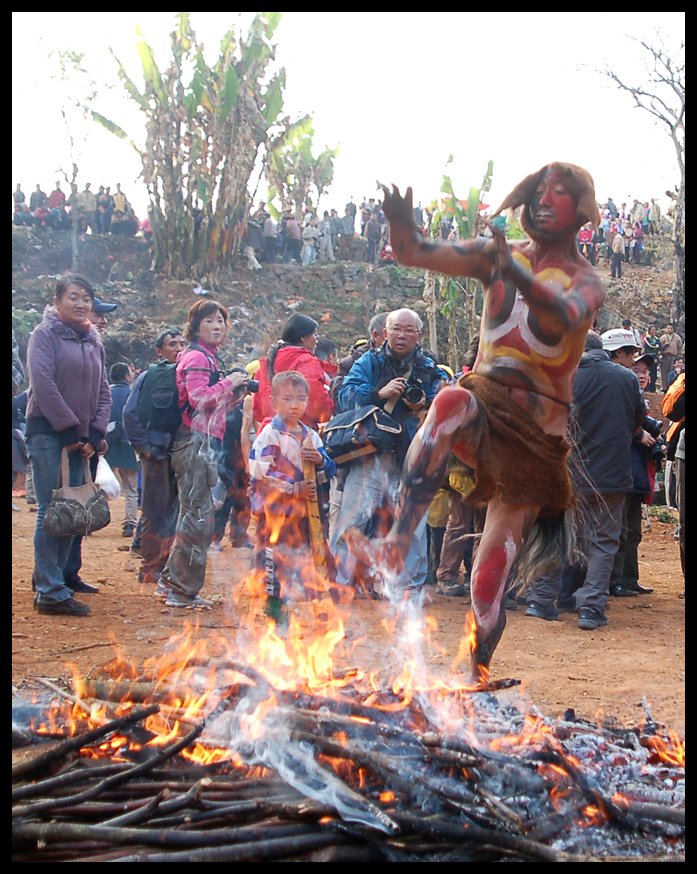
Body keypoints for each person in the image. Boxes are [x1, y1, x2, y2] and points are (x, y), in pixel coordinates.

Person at [371, 163, 606, 678]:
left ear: (581, 210)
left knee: (488, 580)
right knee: (451, 401)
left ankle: (476, 675)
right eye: (539, 191)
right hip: (483, 404)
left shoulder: (588, 282)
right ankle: (399, 539)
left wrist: (516, 271)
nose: (545, 200)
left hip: (534, 446)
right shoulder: (493, 257)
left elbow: (561, 316)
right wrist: (399, 224)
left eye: (560, 193)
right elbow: (414, 253)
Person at [523, 331, 646, 627]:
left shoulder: (561, 376)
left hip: (564, 473)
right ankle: (591, 607)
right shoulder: (626, 379)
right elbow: (637, 421)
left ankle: (541, 600)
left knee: (554, 535)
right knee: (603, 541)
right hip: (610, 476)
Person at [330, 307, 447, 595]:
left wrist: (426, 407)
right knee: (353, 519)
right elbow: (346, 396)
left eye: (409, 330)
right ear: (384, 332)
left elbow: (443, 404)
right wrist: (379, 394)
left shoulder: (429, 368)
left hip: (411, 457)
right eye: (396, 329)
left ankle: (407, 587)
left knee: (412, 525)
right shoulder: (369, 362)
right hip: (371, 454)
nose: (401, 335)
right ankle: (342, 582)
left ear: (418, 335)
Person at [24, 275, 111, 616]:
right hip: (49, 432)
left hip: (80, 437)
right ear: (57, 301)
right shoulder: (44, 335)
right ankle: (49, 591)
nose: (80, 303)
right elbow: (43, 384)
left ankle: (55, 578)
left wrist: (95, 432)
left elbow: (102, 390)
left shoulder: (93, 340)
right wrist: (70, 429)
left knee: (73, 511)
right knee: (52, 508)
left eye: (86, 298)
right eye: (73, 297)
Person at [157, 300, 249, 608]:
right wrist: (230, 382)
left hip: (201, 440)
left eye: (221, 321)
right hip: (194, 442)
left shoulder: (206, 357)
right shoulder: (197, 357)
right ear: (195, 326)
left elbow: (210, 406)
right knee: (197, 516)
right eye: (209, 321)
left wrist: (232, 397)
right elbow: (198, 400)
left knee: (193, 512)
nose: (217, 326)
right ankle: (181, 591)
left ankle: (170, 581)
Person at [249, 370, 337, 625]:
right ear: (274, 401)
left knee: (314, 561)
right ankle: (277, 620)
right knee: (277, 564)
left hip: (309, 515)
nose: (294, 405)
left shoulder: (311, 436)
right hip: (278, 514)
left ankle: (323, 621)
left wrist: (320, 461)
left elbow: (328, 470)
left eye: (300, 398)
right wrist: (293, 488)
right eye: (287, 399)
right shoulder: (269, 435)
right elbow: (260, 471)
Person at [122, 328, 186, 586]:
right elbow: (129, 413)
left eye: (182, 343)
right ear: (159, 351)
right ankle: (150, 567)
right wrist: (144, 447)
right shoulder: (149, 377)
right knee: (155, 510)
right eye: (172, 344)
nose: (179, 348)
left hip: (181, 453)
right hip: (157, 454)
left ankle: (168, 564)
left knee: (177, 512)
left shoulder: (190, 376)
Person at [608, 349, 661, 598]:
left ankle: (630, 579)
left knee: (633, 531)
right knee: (620, 530)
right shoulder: (621, 395)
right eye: (637, 370)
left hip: (638, 472)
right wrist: (640, 434)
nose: (642, 376)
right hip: (621, 470)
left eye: (645, 372)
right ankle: (615, 581)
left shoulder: (641, 399)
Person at [253, 313, 334, 432]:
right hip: (298, 434)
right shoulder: (307, 361)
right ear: (303, 337)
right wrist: (330, 410)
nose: (317, 339)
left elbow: (257, 408)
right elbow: (316, 401)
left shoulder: (268, 362)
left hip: (268, 433)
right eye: (314, 334)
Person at [103, 362, 139, 538]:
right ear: (126, 376)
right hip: (127, 444)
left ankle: (93, 519)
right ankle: (129, 524)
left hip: (105, 443)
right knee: (131, 488)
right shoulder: (133, 393)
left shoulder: (105, 393)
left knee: (99, 484)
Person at [659, 324, 683, 392]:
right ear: (666, 329)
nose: (670, 329)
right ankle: (664, 388)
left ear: (673, 329)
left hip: (673, 356)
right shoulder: (663, 337)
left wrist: (678, 355)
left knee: (672, 372)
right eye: (668, 328)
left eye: (671, 328)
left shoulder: (677, 337)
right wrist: (664, 345)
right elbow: (659, 347)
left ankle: (671, 387)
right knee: (664, 372)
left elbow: (680, 347)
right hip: (665, 356)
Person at [642, 326, 663, 392]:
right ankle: (646, 388)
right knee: (647, 372)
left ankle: (652, 388)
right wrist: (655, 346)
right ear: (649, 331)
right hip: (648, 357)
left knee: (654, 374)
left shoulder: (657, 339)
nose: (654, 331)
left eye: (655, 330)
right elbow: (648, 346)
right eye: (652, 330)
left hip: (655, 358)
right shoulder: (647, 339)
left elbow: (660, 347)